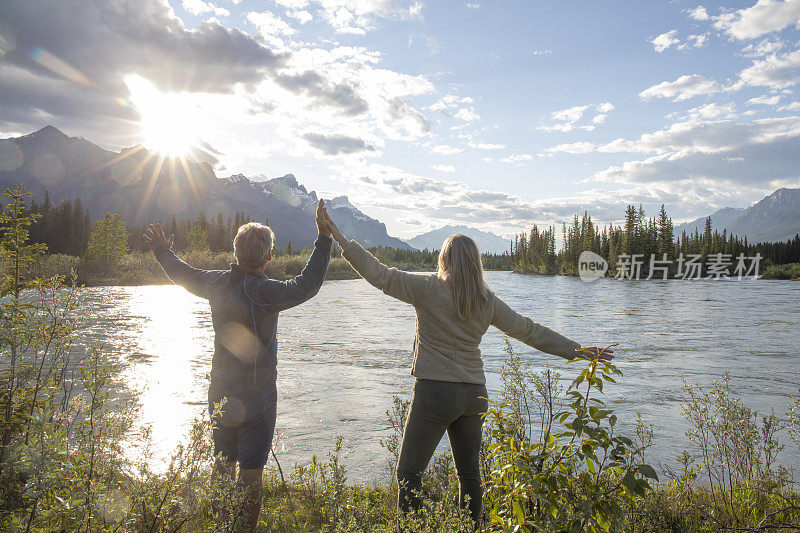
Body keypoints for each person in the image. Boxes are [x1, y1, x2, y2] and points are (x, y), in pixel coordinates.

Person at [319, 207, 612, 527]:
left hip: (435, 391)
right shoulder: (486, 300)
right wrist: (580, 351)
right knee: (470, 475)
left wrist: (339, 238)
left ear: (444, 260)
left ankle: (412, 528)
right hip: (475, 394)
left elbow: (380, 274)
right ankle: (470, 528)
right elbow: (530, 331)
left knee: (408, 474)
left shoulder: (428, 287)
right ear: (475, 263)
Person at [143, 200, 333, 532]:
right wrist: (324, 240)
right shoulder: (268, 291)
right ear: (270, 257)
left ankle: (219, 527)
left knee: (221, 467)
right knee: (250, 475)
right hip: (257, 397)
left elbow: (182, 274)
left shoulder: (215, 283)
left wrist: (162, 251)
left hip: (221, 390)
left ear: (235, 253)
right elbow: (308, 285)